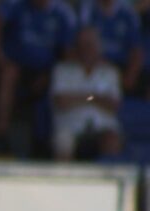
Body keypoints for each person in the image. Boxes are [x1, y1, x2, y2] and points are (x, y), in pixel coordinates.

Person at [0, 0, 77, 135]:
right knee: (9, 75)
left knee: (62, 82)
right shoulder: (16, 4)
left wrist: (50, 75)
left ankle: (51, 142)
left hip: (46, 70)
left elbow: (68, 54)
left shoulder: (63, 13)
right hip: (15, 65)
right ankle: (1, 132)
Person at [50, 26, 122, 160]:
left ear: (98, 47)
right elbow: (62, 102)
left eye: (90, 44)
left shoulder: (110, 72)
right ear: (76, 46)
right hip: (71, 126)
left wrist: (80, 97)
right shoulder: (62, 70)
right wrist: (95, 98)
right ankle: (64, 179)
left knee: (112, 138)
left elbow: (114, 105)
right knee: (63, 141)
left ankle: (110, 178)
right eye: (82, 45)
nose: (86, 49)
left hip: (102, 126)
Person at [77, 0, 143, 94]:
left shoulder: (128, 13)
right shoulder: (88, 9)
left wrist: (129, 76)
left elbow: (136, 50)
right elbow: (83, 43)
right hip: (95, 65)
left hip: (121, 66)